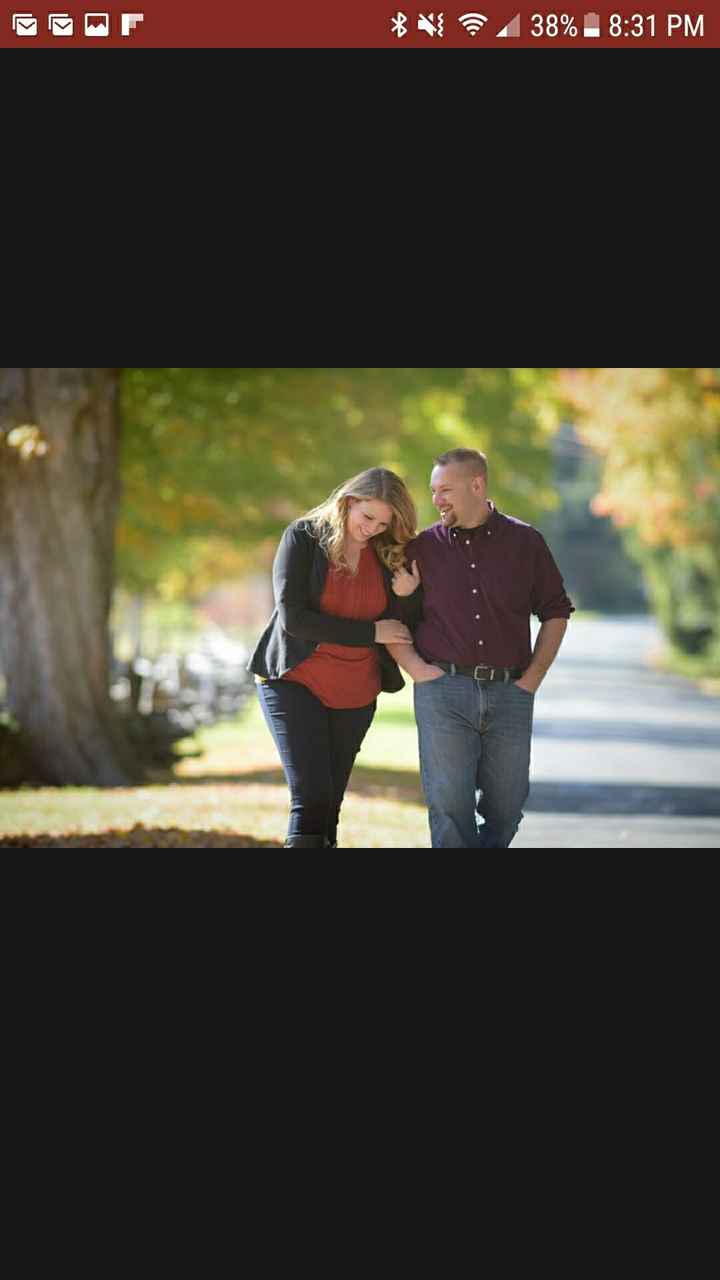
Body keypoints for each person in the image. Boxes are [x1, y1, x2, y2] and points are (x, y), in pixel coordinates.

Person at [386, 448, 574, 849]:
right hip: (443, 692)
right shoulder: (421, 549)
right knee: (449, 806)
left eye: (446, 490)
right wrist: (417, 670)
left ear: (477, 485)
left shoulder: (526, 542)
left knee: (507, 808)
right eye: (434, 491)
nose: (437, 500)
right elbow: (394, 619)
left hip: (511, 692)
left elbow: (556, 610)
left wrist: (532, 680)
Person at [248, 468, 417, 849]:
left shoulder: (387, 553)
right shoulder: (304, 538)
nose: (372, 528)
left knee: (331, 805)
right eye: (367, 517)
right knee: (312, 797)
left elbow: (404, 624)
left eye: (383, 523)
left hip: (357, 691)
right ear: (348, 502)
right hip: (295, 680)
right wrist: (370, 633)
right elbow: (294, 619)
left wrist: (408, 593)